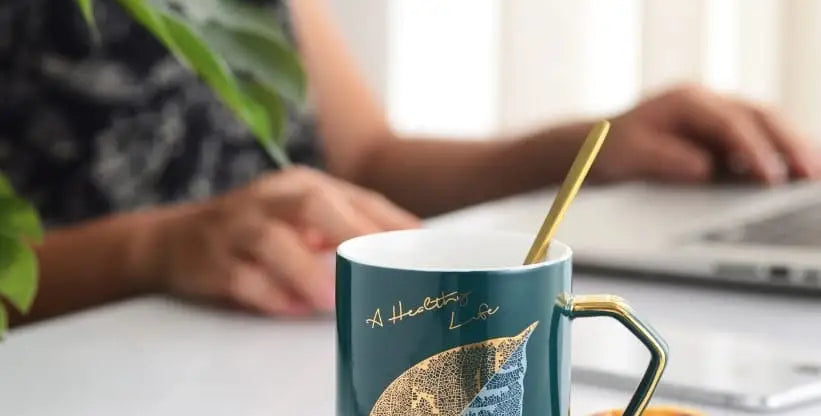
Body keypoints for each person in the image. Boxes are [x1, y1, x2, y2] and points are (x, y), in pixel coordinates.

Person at [2, 0, 819, 323]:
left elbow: (367, 159)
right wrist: (157, 247)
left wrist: (588, 151)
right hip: (87, 394)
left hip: (288, 355)